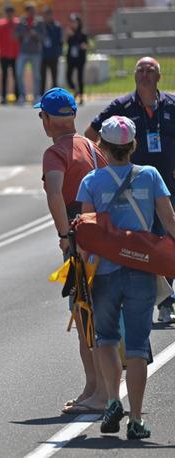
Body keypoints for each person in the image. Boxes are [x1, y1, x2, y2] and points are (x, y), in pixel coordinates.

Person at [76, 115, 175, 439]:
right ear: (133, 146)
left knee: (104, 339)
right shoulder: (150, 176)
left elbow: (88, 235)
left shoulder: (91, 181)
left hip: (104, 272)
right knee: (136, 346)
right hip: (142, 270)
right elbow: (169, 221)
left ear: (102, 146)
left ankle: (110, 402)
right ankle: (135, 418)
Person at [84, 57, 175, 322]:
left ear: (159, 77)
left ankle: (164, 299)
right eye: (141, 70)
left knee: (164, 239)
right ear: (134, 77)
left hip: (165, 184)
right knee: (140, 239)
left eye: (151, 70)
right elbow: (89, 136)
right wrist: (106, 171)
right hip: (129, 185)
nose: (146, 74)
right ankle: (144, 297)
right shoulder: (121, 107)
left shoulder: (171, 105)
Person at [36, 87, 109, 413]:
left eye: (42, 116)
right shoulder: (93, 148)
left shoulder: (56, 153)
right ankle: (94, 387)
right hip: (105, 235)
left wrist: (64, 234)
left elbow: (54, 192)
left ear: (48, 120)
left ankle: (100, 392)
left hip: (79, 237)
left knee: (83, 314)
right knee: (97, 310)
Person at [15, 1, 45, 104]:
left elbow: (43, 37)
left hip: (35, 52)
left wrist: (35, 35)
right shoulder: (21, 21)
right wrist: (24, 34)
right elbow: (16, 35)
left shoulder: (39, 21)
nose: (32, 12)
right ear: (26, 11)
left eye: (33, 10)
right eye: (30, 10)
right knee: (19, 73)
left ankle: (36, 96)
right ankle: (22, 96)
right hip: (23, 52)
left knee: (36, 75)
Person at [0, 5, 20, 104]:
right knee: (4, 76)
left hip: (15, 54)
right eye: (8, 13)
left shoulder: (18, 23)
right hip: (4, 54)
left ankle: (17, 96)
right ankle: (3, 96)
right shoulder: (0, 24)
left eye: (11, 13)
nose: (9, 15)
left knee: (16, 76)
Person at [66, 13, 88, 105]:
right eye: (72, 22)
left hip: (80, 58)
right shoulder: (69, 33)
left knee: (80, 77)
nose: (73, 24)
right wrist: (69, 36)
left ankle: (81, 96)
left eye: (75, 22)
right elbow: (67, 43)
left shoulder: (82, 34)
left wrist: (84, 46)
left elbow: (85, 44)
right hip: (71, 58)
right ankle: (75, 90)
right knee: (68, 76)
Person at [40, 7, 63, 95]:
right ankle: (42, 95)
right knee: (43, 77)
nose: (46, 17)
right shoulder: (41, 26)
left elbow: (60, 40)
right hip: (43, 55)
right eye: (44, 15)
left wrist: (59, 53)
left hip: (54, 54)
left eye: (47, 15)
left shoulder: (56, 26)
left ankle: (55, 95)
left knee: (54, 77)